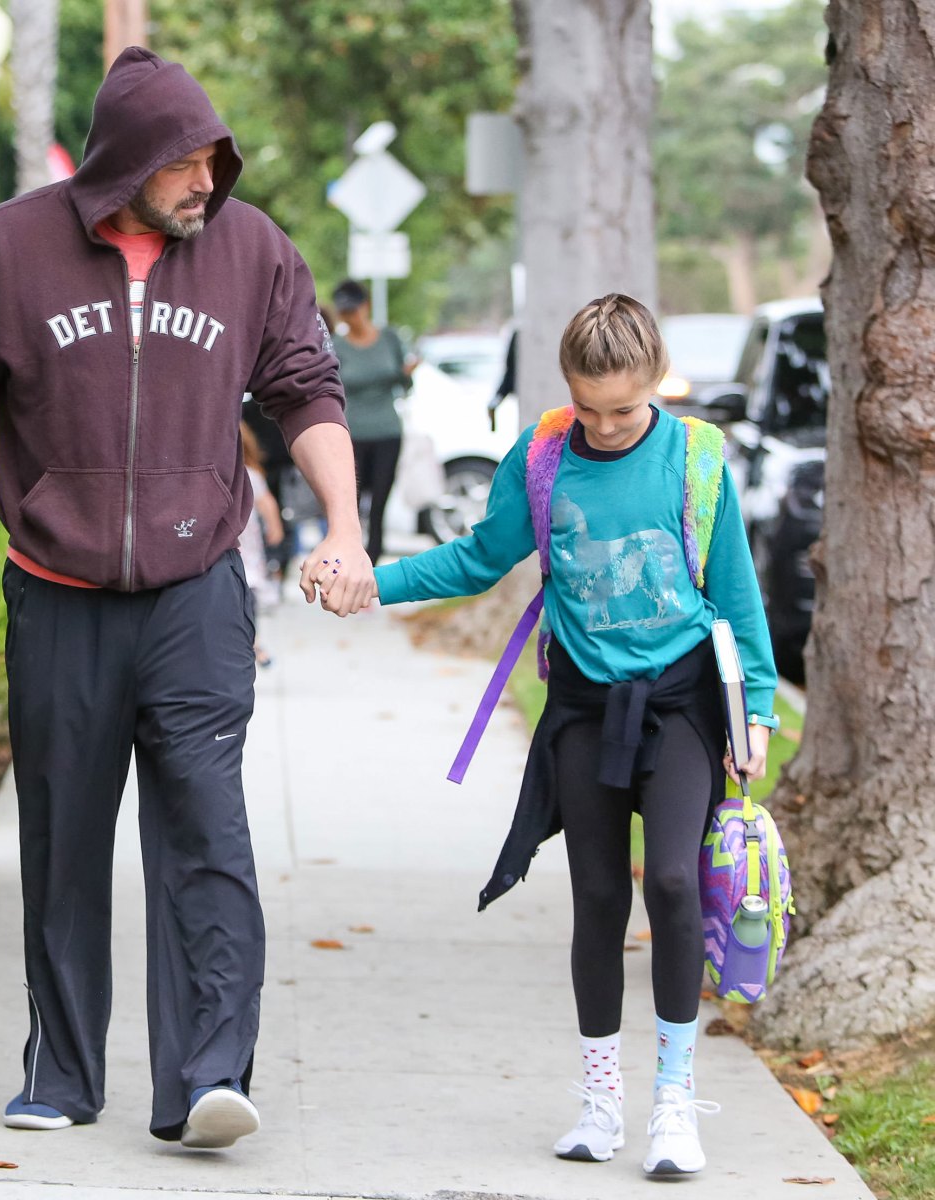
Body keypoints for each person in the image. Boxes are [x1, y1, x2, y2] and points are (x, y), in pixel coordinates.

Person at [0, 47, 373, 1150]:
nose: (208, 182)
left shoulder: (249, 250)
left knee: (206, 832)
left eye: (216, 160)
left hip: (197, 593)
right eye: (188, 163)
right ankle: (61, 1072)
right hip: (58, 594)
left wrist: (343, 525)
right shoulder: (10, 247)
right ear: (130, 161)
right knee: (63, 841)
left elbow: (305, 390)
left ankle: (206, 1079)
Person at [320, 294, 777, 1176]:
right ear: (567, 387)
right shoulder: (540, 458)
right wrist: (376, 580)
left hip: (681, 702)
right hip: (582, 707)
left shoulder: (695, 462)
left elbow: (738, 596)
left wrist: (753, 710)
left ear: (655, 386)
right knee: (600, 898)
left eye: (625, 408)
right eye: (589, 407)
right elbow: (479, 556)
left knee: (675, 885)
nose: (605, 427)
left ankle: (674, 1101)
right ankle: (601, 1100)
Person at [330, 279, 416, 564]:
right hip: (352, 432)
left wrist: (407, 372)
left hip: (387, 430)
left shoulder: (389, 338)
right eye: (344, 313)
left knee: (379, 502)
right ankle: (350, 559)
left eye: (353, 311)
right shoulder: (337, 345)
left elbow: (405, 383)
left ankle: (372, 563)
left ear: (365, 307)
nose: (350, 318)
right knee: (350, 503)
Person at [238, 420, 286, 666]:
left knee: (247, 600)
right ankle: (251, 644)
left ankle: (253, 644)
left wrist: (275, 527)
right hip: (237, 549)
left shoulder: (250, 474)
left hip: (246, 550)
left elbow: (267, 502)